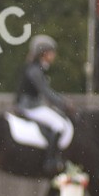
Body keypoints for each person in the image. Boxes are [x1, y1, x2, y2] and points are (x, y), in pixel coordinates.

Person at [15, 34, 75, 175]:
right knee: (59, 125)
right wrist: (64, 104)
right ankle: (50, 160)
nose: (53, 55)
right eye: (51, 52)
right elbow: (46, 92)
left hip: (33, 104)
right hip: (30, 106)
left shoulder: (37, 68)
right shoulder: (35, 70)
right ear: (44, 53)